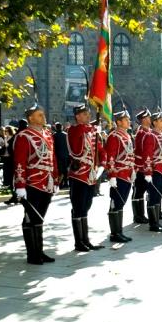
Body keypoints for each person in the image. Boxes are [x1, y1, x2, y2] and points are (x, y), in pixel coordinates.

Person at [14, 104, 59, 265]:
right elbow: (20, 162)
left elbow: (52, 158)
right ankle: (32, 254)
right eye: (39, 115)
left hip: (46, 182)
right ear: (31, 118)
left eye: (42, 114)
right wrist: (20, 185)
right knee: (31, 218)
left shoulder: (47, 133)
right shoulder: (24, 136)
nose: (43, 116)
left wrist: (55, 178)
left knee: (39, 217)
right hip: (32, 183)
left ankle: (39, 251)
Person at [67, 105, 106, 252]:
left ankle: (86, 240)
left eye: (88, 113)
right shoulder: (74, 130)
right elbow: (76, 151)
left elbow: (101, 150)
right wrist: (93, 128)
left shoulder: (91, 131)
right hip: (79, 176)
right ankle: (79, 242)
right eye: (84, 114)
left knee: (86, 208)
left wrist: (102, 165)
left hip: (91, 176)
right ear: (77, 116)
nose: (88, 116)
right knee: (78, 208)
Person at [105, 109, 135, 243]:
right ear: (118, 122)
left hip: (127, 174)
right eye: (126, 119)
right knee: (116, 203)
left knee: (121, 203)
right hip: (118, 175)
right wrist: (112, 175)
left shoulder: (127, 135)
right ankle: (114, 233)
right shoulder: (114, 136)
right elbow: (110, 157)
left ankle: (119, 231)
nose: (129, 121)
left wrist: (132, 168)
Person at [141, 111, 162, 232]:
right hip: (155, 170)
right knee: (153, 196)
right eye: (161, 120)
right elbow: (147, 155)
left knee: (159, 196)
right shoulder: (150, 135)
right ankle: (153, 224)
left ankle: (157, 221)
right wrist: (148, 172)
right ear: (154, 122)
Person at [132, 109, 152, 224]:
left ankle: (142, 214)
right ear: (143, 119)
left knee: (144, 190)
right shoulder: (141, 132)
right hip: (140, 166)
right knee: (138, 191)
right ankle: (137, 215)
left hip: (146, 166)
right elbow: (143, 151)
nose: (150, 119)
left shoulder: (147, 131)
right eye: (148, 117)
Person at [53, 122, 70, 189]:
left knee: (60, 170)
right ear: (62, 127)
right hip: (66, 155)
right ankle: (66, 183)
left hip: (58, 155)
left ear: (56, 127)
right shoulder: (66, 135)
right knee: (65, 170)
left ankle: (60, 184)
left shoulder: (54, 135)